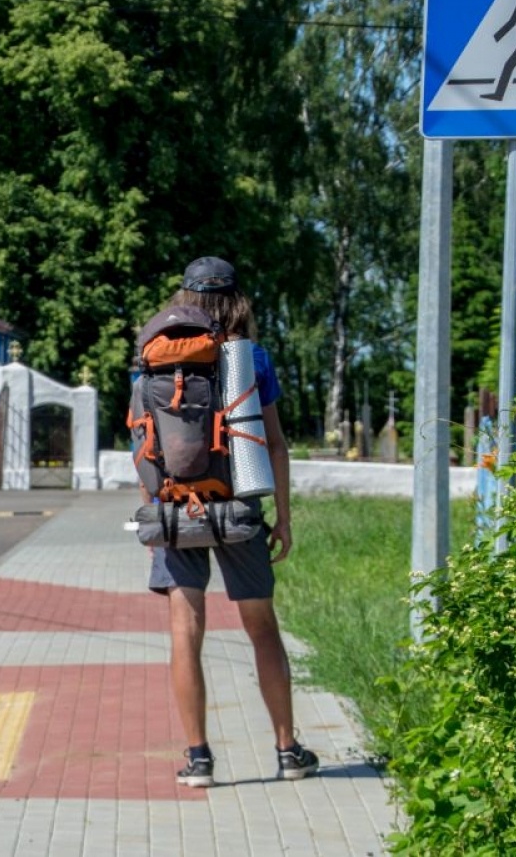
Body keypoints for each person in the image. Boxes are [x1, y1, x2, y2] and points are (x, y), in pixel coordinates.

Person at [146, 255, 319, 788]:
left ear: (184, 298)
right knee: (261, 628)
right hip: (240, 506)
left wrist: (156, 514)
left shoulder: (156, 359)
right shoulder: (252, 358)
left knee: (184, 630)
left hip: (177, 508)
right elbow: (276, 444)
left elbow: (146, 440)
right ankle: (287, 751)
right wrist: (284, 517)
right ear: (238, 300)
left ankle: (198, 759)